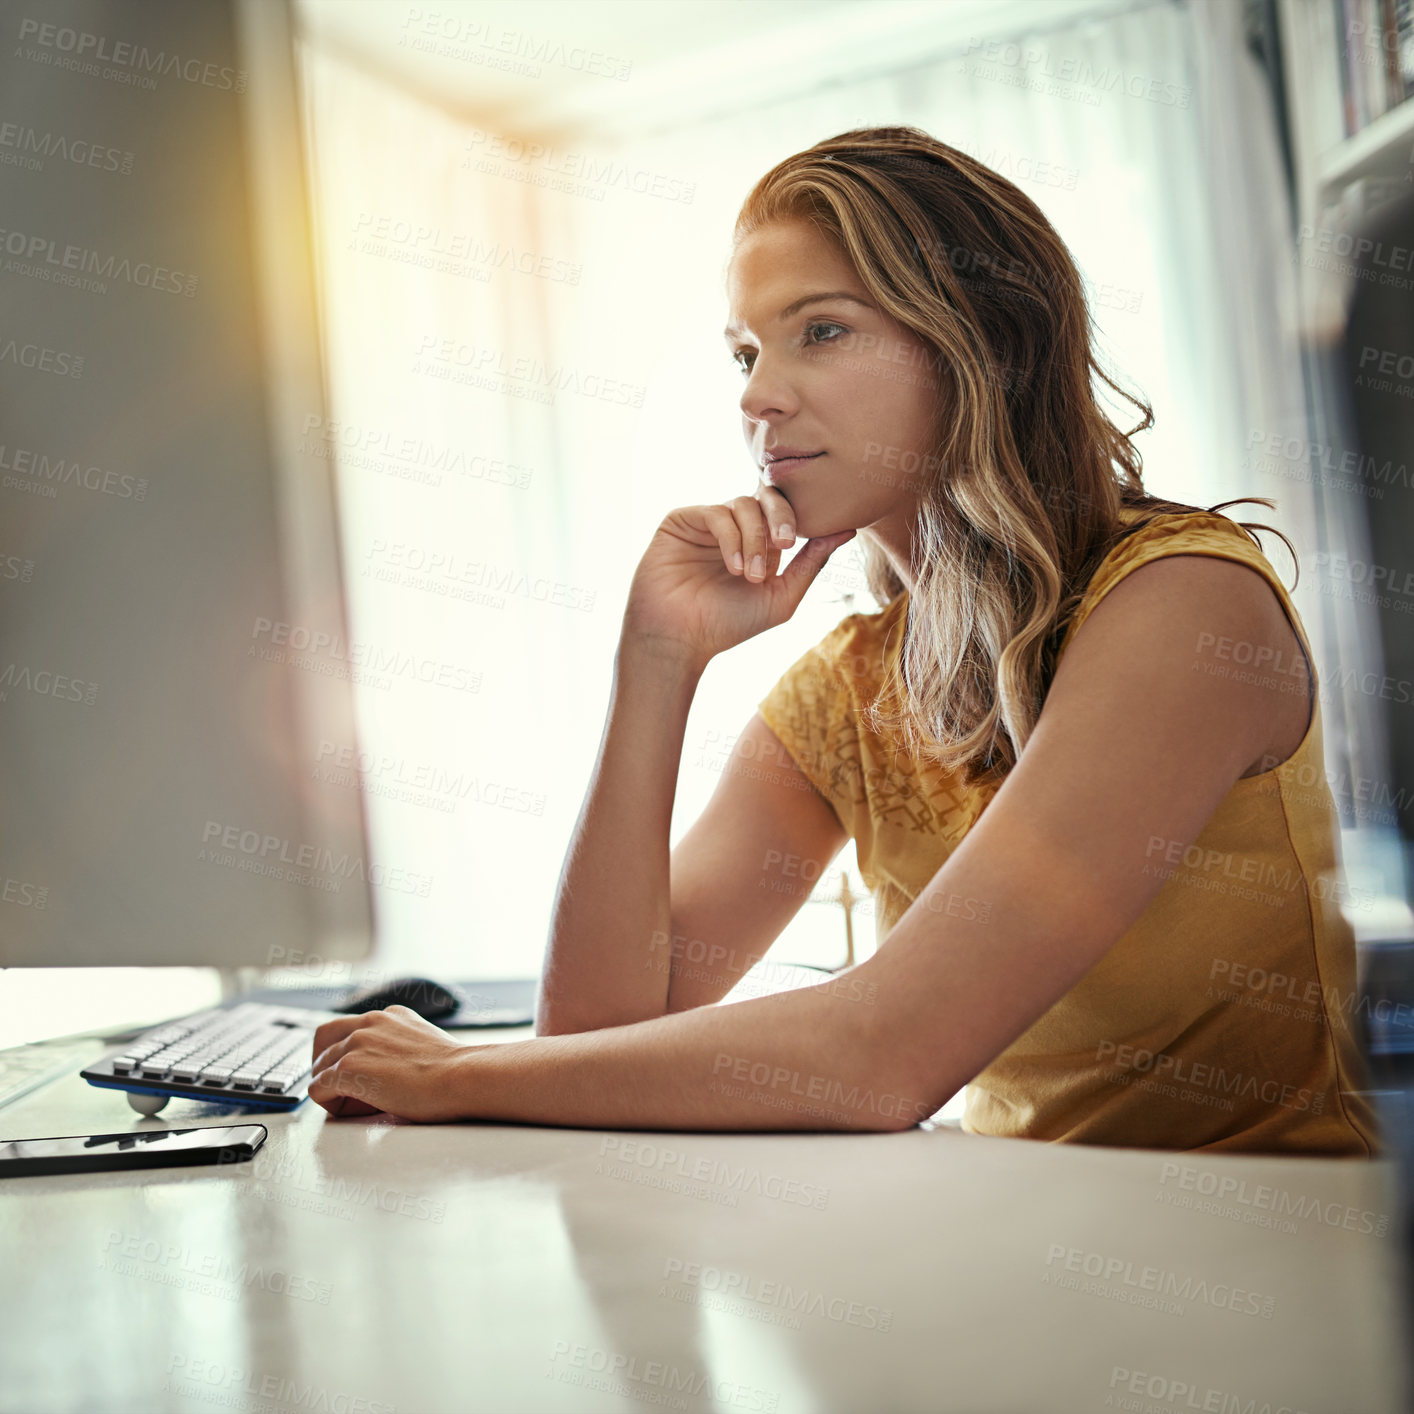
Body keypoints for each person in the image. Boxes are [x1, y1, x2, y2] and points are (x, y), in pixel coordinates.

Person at [308, 126, 1378, 1156]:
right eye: (744, 352)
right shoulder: (850, 685)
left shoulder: (1182, 604)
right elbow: (598, 1039)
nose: (759, 398)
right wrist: (656, 665)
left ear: (979, 344)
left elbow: (883, 1056)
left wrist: (453, 1076)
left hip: (1266, 1272)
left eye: (820, 330)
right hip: (1017, 1256)